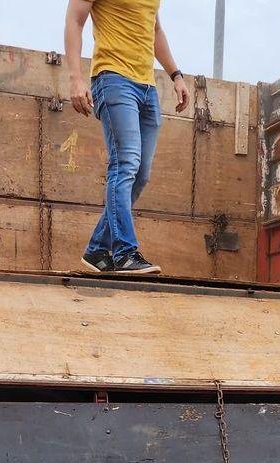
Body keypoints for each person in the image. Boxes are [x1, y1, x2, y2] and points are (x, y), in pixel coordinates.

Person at [64, 0, 191, 276]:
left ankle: (97, 249)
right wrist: (75, 78)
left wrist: (176, 75)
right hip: (112, 79)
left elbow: (155, 30)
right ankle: (124, 252)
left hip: (147, 88)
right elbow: (75, 21)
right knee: (125, 164)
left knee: (141, 173)